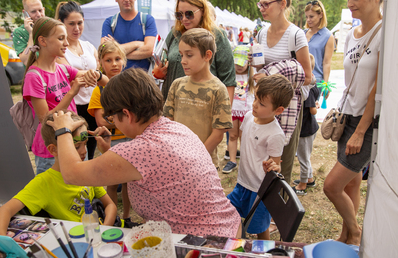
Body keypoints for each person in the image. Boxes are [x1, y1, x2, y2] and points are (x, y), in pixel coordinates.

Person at [46, 68, 241, 238]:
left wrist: (62, 131)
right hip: (226, 228)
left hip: (205, 245)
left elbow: (71, 174)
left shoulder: (139, 151)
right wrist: (110, 153)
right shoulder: (176, 128)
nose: (112, 122)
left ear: (127, 114)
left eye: (112, 118)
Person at [0, 112, 117, 258]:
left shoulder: (85, 171)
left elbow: (110, 205)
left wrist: (103, 230)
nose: (84, 151)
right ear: (53, 150)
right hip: (79, 250)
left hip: (100, 239)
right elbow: (4, 210)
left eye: (85, 144)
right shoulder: (44, 182)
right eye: (76, 146)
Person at [323, 0, 385, 246]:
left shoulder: (387, 33)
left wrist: (361, 130)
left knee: (331, 186)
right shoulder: (351, 34)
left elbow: (377, 88)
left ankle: (356, 232)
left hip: (366, 124)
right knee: (351, 183)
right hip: (346, 117)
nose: (350, 3)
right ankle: (346, 237)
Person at [22, 17, 108, 174]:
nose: (67, 44)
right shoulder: (34, 76)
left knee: (80, 189)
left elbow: (104, 81)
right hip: (52, 148)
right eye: (61, 39)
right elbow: (45, 119)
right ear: (43, 41)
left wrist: (94, 73)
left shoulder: (63, 69)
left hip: (75, 139)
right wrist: (72, 92)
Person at [253, 0, 313, 185]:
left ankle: (279, 213)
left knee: (282, 163)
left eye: (266, 4)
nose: (262, 9)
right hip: (264, 106)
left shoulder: (296, 35)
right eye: (260, 4)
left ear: (282, 4)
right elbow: (259, 69)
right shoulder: (261, 33)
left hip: (287, 108)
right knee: (262, 156)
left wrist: (273, 74)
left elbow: (308, 77)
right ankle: (262, 206)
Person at [228, 75, 294, 240]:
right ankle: (238, 244)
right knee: (229, 211)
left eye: (262, 103)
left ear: (278, 110)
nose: (254, 104)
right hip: (243, 183)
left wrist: (273, 167)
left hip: (260, 190)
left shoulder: (275, 134)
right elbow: (245, 139)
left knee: (259, 228)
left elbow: (275, 165)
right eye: (255, 98)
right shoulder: (249, 116)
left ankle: (265, 254)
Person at [163, 28, 233, 168]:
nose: (183, 61)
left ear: (207, 55)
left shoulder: (218, 89)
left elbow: (218, 133)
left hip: (203, 163)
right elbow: (167, 122)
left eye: (189, 55)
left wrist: (196, 156)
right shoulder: (177, 85)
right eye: (181, 55)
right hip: (176, 158)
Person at [154, 0, 236, 102]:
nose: (184, 19)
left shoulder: (217, 36)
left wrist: (225, 113)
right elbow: (163, 65)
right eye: (179, 15)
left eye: (189, 14)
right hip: (172, 104)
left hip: (203, 105)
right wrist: (159, 72)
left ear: (202, 11)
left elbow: (228, 80)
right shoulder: (175, 34)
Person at [88, 40, 135, 226]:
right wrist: (123, 118)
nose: (114, 64)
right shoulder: (98, 91)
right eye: (108, 60)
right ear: (100, 63)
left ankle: (127, 217)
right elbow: (101, 120)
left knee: (129, 183)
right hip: (112, 143)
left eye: (117, 59)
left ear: (124, 61)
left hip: (130, 141)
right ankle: (113, 217)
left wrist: (114, 118)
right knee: (112, 182)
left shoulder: (130, 85)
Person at [55, 1, 99, 160]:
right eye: (71, 24)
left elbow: (99, 72)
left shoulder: (89, 46)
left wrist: (91, 75)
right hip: (74, 107)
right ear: (62, 24)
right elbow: (70, 74)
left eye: (80, 23)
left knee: (92, 151)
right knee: (77, 152)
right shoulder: (60, 51)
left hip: (93, 106)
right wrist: (92, 74)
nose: (76, 28)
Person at [100, 0, 157, 72]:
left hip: (142, 81)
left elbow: (150, 50)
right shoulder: (109, 23)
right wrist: (137, 44)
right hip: (117, 80)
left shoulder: (147, 20)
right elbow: (104, 52)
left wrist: (116, 49)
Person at [223, 46, 254, 174]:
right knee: (233, 135)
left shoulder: (252, 77)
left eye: (242, 63)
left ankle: (246, 163)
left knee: (244, 137)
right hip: (232, 111)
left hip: (246, 112)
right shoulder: (230, 76)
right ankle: (232, 161)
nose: (239, 66)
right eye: (236, 63)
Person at [293, 54, 320, 195]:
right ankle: (309, 179)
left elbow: (313, 111)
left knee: (303, 158)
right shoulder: (314, 84)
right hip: (310, 128)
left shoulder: (306, 90)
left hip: (306, 130)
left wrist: (315, 106)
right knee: (306, 156)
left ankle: (302, 185)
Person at [304, 0, 335, 98]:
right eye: (307, 17)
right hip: (301, 79)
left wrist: (326, 84)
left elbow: (326, 63)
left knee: (310, 112)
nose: (308, 20)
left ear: (321, 15)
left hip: (316, 81)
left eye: (311, 16)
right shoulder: (302, 33)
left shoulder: (328, 36)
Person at [13, 0, 46, 64]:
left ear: (44, 9)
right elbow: (27, 61)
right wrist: (31, 34)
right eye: (33, 11)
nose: (38, 14)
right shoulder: (19, 32)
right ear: (25, 13)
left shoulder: (51, 27)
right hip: (34, 73)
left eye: (40, 10)